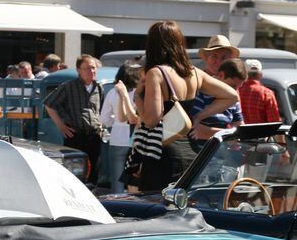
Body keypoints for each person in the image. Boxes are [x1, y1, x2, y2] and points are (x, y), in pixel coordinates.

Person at [130, 21, 238, 192]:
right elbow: (231, 96)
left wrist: (137, 96)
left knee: (157, 212)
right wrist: (198, 117)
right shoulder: (195, 72)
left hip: (162, 154)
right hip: (191, 154)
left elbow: (151, 120)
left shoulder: (156, 73)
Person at [44, 54, 104, 183]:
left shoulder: (98, 87)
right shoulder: (68, 86)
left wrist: (100, 127)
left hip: (94, 136)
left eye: (93, 68)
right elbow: (49, 104)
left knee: (93, 174)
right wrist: (61, 126)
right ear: (79, 70)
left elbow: (99, 110)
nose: (91, 71)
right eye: (87, 68)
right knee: (74, 174)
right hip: (75, 136)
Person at [99, 63, 140, 193]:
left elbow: (104, 119)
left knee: (117, 180)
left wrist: (114, 122)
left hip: (117, 137)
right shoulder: (139, 92)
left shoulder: (112, 92)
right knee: (134, 180)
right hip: (135, 138)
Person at [188, 58, 245, 152]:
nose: (234, 91)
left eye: (237, 88)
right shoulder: (200, 92)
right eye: (232, 86)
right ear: (221, 75)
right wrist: (228, 136)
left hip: (222, 155)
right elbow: (195, 130)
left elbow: (239, 126)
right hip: (200, 156)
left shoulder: (234, 98)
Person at [238, 59, 281, 125]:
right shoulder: (267, 93)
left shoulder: (236, 90)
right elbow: (274, 121)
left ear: (244, 74)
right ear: (260, 75)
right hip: (260, 133)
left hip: (238, 133)